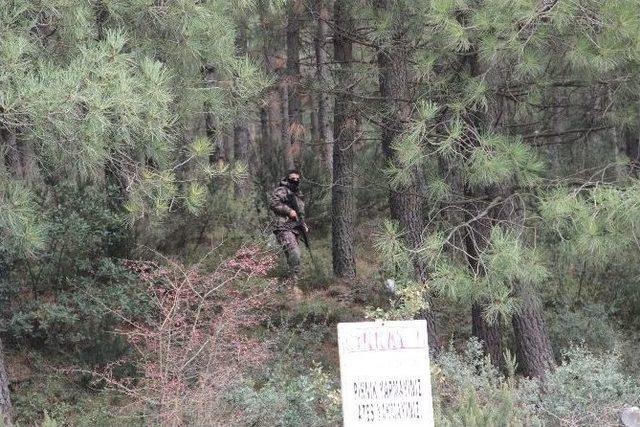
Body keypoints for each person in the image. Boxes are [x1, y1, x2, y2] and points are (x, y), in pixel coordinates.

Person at [269, 169, 309, 277]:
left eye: (297, 179)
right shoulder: (282, 190)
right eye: (292, 179)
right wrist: (288, 211)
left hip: (294, 229)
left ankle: (289, 282)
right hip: (283, 227)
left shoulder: (298, 194)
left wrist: (303, 224)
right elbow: (273, 203)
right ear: (287, 179)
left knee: (292, 257)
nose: (295, 181)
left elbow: (300, 213)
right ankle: (293, 282)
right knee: (294, 253)